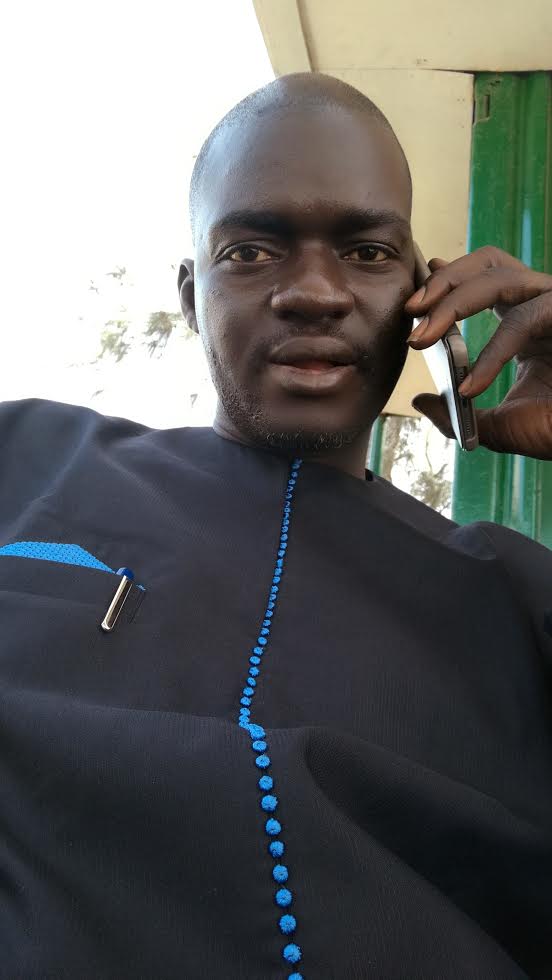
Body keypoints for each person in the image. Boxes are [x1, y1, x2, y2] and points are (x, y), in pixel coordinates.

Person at [1, 72, 551, 980]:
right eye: (252, 251)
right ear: (191, 295)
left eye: (367, 252)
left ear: (425, 294)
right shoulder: (29, 458)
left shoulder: (515, 597)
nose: (315, 292)